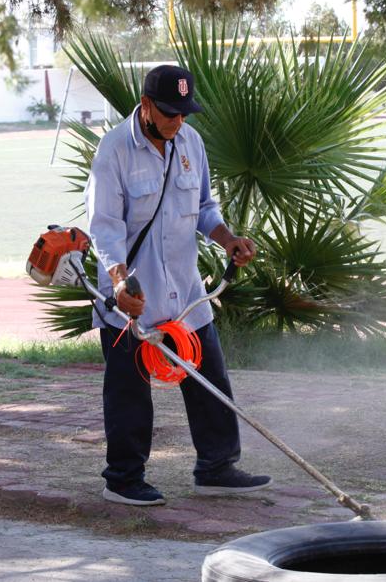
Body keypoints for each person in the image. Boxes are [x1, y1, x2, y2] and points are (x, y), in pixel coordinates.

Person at [85, 65, 271, 507]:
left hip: (185, 292)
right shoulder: (113, 151)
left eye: (184, 113)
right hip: (132, 295)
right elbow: (105, 229)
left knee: (210, 378)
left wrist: (229, 240)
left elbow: (205, 206)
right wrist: (118, 281)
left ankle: (216, 468)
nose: (177, 121)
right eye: (169, 112)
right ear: (145, 106)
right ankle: (124, 479)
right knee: (128, 391)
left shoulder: (191, 142)